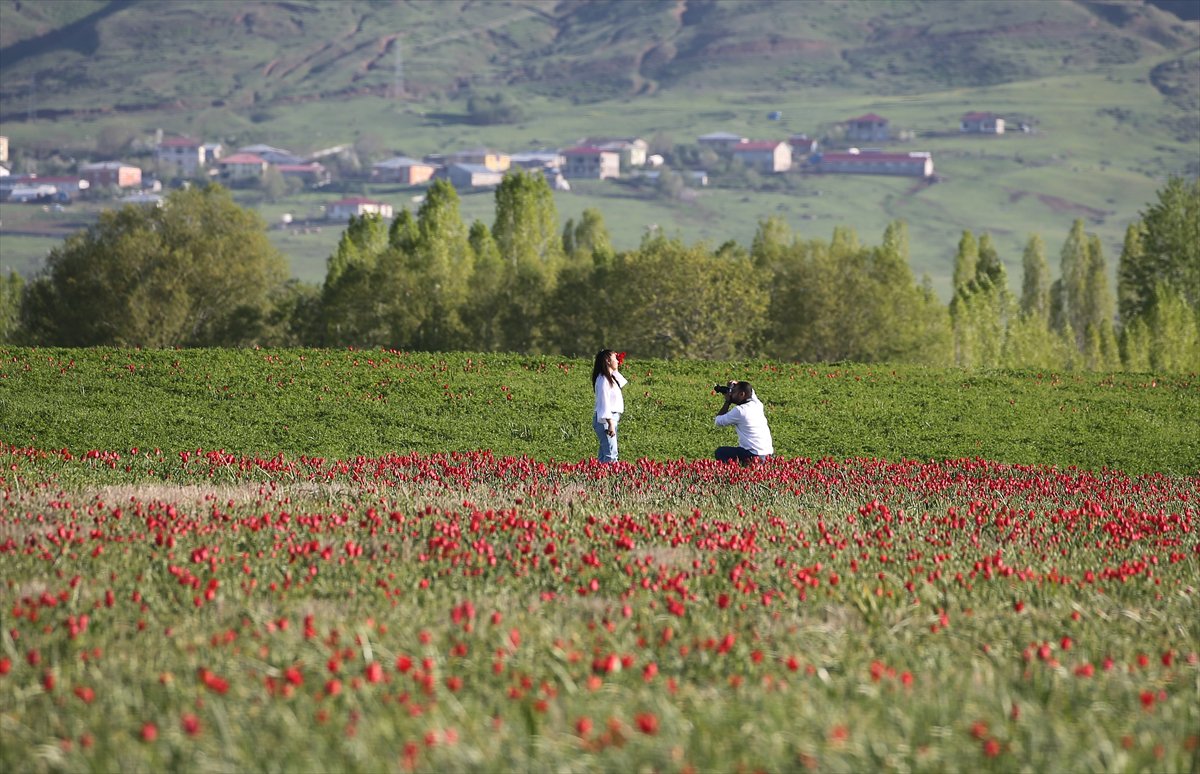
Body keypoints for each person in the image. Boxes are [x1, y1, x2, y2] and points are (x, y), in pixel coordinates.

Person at [714, 380, 774, 464]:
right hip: (768, 455)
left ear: (742, 394)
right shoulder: (757, 404)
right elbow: (750, 391)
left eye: (734, 392)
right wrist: (737, 384)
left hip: (753, 455)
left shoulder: (740, 411)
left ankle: (738, 471)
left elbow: (718, 421)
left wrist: (727, 402)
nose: (731, 394)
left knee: (720, 452)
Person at [591, 349, 627, 463]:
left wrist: (613, 367)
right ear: (607, 361)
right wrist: (610, 423)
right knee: (611, 455)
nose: (618, 361)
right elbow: (604, 402)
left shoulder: (610, 378)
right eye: (615, 358)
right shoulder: (603, 380)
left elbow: (622, 381)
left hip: (610, 419)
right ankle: (609, 479)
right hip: (606, 420)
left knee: (604, 455)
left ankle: (600, 478)